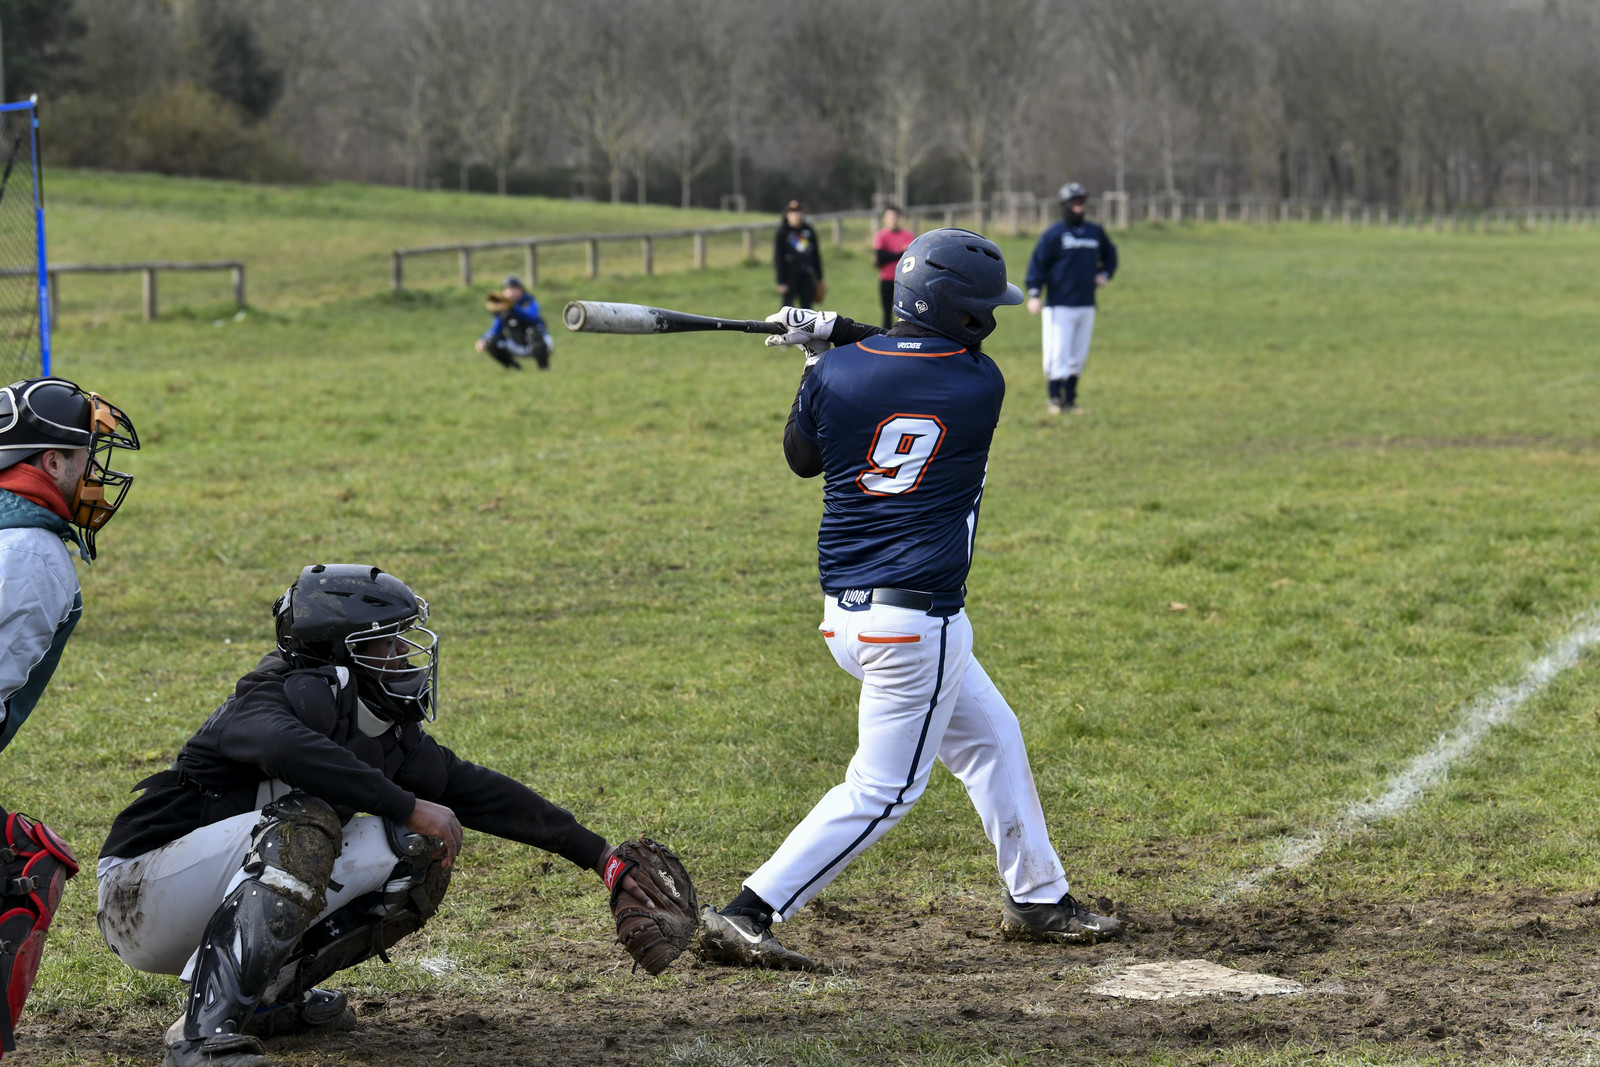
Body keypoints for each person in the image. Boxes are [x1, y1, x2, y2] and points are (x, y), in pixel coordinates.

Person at [695, 229, 1122, 971]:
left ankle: (1038, 896)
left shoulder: (839, 377)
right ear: (960, 314)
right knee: (884, 790)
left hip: (848, 618)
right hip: (915, 627)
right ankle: (749, 909)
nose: (990, 318)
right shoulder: (978, 384)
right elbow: (909, 361)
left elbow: (804, 456)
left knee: (993, 738)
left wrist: (820, 355)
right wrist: (840, 339)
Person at [97, 564, 651, 1067]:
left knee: (421, 847)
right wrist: (405, 803)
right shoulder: (266, 698)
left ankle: (268, 1001)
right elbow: (281, 746)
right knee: (304, 825)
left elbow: (471, 790)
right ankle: (198, 1041)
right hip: (139, 894)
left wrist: (599, 856)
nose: (403, 656)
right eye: (384, 642)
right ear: (338, 653)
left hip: (214, 891)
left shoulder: (374, 725)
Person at [0, 377, 139, 1054]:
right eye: (84, 453)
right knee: (21, 866)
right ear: (49, 460)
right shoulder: (32, 555)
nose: (94, 472)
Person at [1025, 182, 1118, 415]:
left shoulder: (1094, 232)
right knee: (1058, 353)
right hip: (1059, 305)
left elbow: (1110, 255)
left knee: (1078, 354)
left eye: (1082, 202)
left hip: (1086, 303)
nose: (1080, 206)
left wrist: (1104, 273)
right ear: (1065, 205)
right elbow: (1038, 265)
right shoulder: (1053, 234)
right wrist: (1035, 294)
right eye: (1075, 202)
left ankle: (1070, 401)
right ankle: (1054, 399)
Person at [475, 275, 553, 370]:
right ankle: (513, 367)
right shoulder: (504, 309)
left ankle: (543, 367)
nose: (510, 292)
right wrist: (483, 339)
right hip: (516, 343)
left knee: (534, 333)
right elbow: (495, 329)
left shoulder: (529, 302)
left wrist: (513, 308)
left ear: (521, 290)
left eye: (514, 288)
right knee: (491, 341)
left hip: (537, 343)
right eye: (507, 289)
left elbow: (531, 317)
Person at [773, 199, 825, 310]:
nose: (796, 215)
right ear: (787, 215)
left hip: (806, 275)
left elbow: (815, 255)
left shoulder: (808, 231)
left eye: (798, 212)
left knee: (807, 310)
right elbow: (778, 257)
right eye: (792, 212)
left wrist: (820, 278)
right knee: (787, 310)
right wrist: (781, 281)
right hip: (789, 276)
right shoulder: (783, 232)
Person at [870, 205, 915, 328]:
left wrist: (889, 255)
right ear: (885, 218)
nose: (893, 219)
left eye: (895, 216)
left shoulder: (908, 235)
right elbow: (880, 255)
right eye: (890, 217)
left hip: (904, 280)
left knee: (906, 312)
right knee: (887, 312)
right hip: (887, 278)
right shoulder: (881, 235)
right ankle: (887, 337)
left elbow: (912, 255)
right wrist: (900, 254)